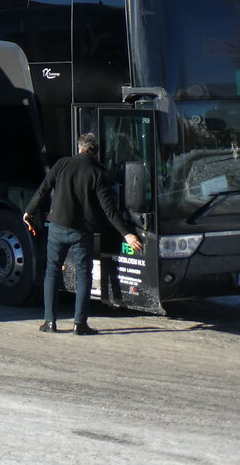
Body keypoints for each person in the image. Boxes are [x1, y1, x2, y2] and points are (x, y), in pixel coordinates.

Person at [23, 132, 144, 336]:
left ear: (79, 148)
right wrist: (127, 234)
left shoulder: (62, 164)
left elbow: (43, 190)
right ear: (94, 152)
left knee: (52, 272)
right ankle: (80, 324)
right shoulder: (98, 173)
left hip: (58, 228)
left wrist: (28, 211)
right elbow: (109, 209)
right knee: (83, 275)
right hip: (82, 232)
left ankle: (50, 322)